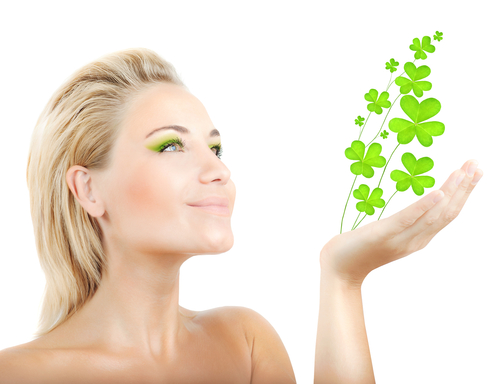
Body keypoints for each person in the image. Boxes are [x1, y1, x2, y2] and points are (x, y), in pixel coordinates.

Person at [0, 48, 483, 384]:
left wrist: (343, 279)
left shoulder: (245, 342)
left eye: (216, 146)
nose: (218, 169)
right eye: (171, 145)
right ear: (88, 189)